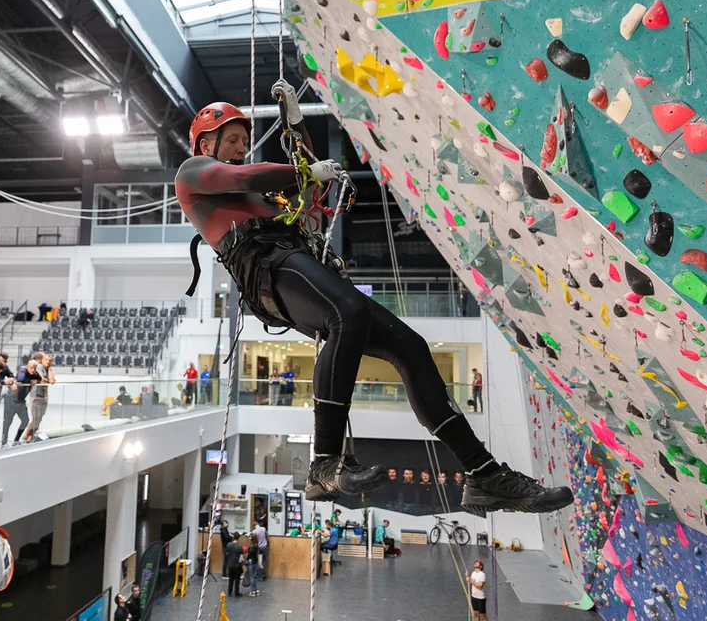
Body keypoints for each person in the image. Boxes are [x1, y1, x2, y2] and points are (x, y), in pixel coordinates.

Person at [175, 83, 571, 512]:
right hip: (267, 269)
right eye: (231, 141)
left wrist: (296, 125)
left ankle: (484, 475)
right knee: (346, 313)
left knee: (412, 348)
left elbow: (310, 185)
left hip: (295, 264)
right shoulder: (194, 175)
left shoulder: (263, 195)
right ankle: (325, 464)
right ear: (205, 142)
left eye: (243, 141)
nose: (240, 148)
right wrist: (301, 173)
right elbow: (243, 176)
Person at [3, 357, 37, 447]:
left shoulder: (34, 373)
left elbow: (40, 378)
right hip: (11, 400)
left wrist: (36, 380)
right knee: (7, 422)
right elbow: (20, 379)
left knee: (25, 420)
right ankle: (4, 442)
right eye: (31, 368)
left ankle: (16, 440)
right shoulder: (22, 370)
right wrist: (30, 380)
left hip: (21, 401)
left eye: (34, 368)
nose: (33, 370)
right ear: (27, 367)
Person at [22, 353, 54, 443]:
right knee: (35, 418)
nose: (48, 362)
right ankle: (26, 437)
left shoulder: (47, 369)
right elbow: (42, 379)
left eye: (50, 361)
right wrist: (46, 379)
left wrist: (50, 369)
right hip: (36, 396)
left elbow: (51, 380)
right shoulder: (39, 367)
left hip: (43, 396)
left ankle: (31, 436)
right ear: (42, 360)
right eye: (46, 360)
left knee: (39, 418)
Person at [225, 532, 244, 598]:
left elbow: (227, 553)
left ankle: (229, 591)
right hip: (237, 565)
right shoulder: (239, 546)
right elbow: (242, 553)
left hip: (230, 564)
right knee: (237, 579)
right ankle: (236, 592)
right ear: (238, 538)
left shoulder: (229, 545)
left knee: (231, 578)